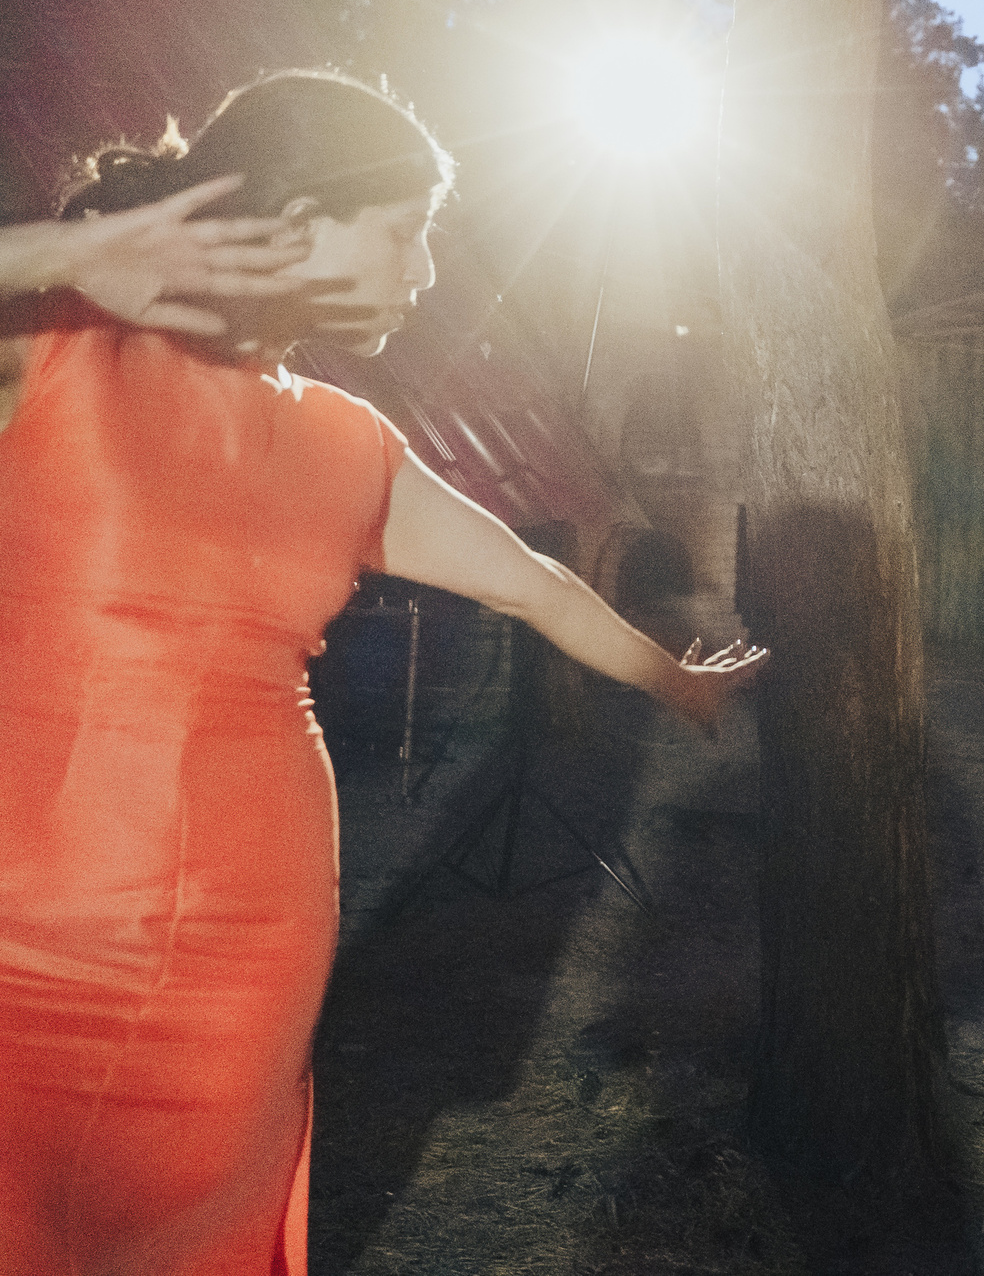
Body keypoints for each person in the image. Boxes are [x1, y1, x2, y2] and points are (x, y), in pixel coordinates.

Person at [0, 71, 767, 1275]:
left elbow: (534, 585)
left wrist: (680, 683)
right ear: (299, 221)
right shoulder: (51, 345)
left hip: (241, 948)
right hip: (20, 931)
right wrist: (54, 252)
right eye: (405, 231)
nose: (424, 272)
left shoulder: (349, 441)